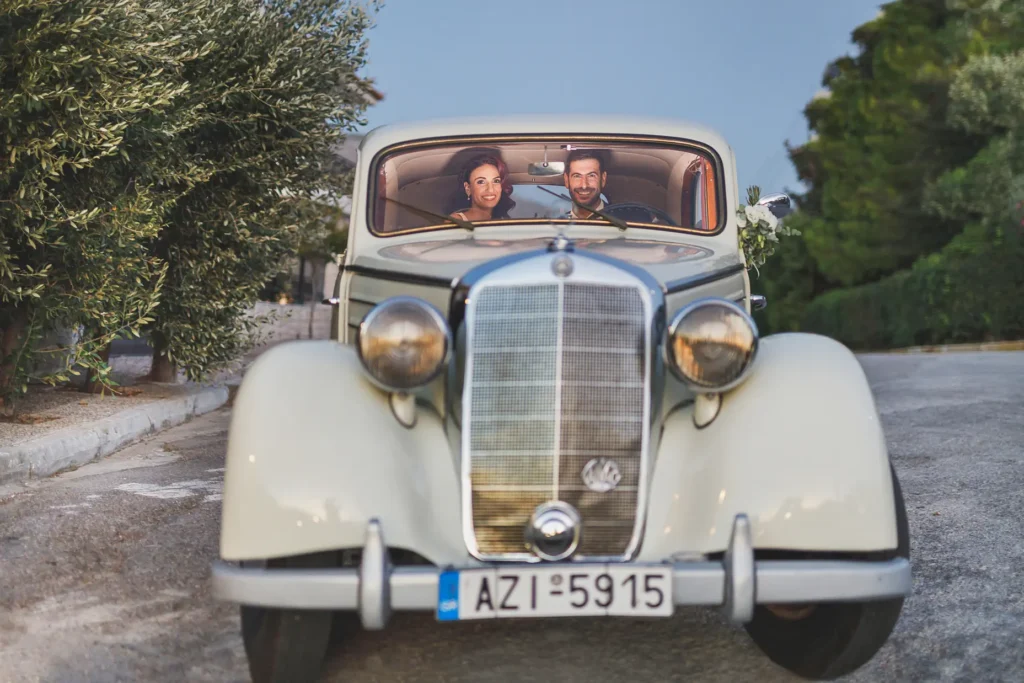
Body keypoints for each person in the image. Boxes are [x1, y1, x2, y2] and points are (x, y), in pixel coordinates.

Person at [451, 154, 516, 221]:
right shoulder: (455, 221)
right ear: (468, 188)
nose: (490, 189)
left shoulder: (504, 222)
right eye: (481, 182)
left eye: (496, 181)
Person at [562, 149, 608, 219]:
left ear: (603, 179)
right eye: (577, 176)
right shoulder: (556, 226)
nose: (584, 185)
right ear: (566, 180)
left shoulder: (624, 221)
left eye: (591, 175)